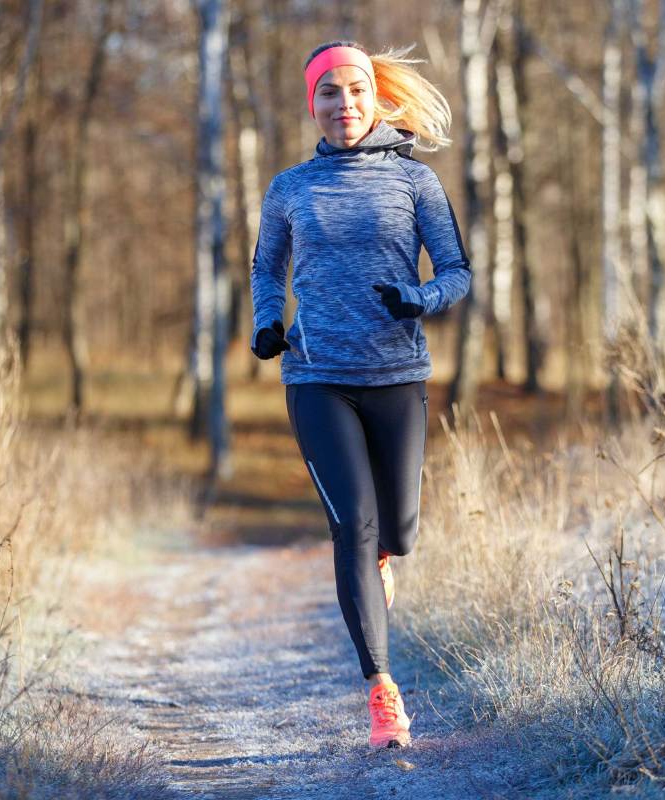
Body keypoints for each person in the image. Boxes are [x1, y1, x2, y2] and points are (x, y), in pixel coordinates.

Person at [248, 40, 471, 749]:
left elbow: (458, 271)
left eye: (353, 91)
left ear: (375, 98)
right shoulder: (290, 188)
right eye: (327, 94)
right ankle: (383, 694)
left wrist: (420, 298)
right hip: (316, 377)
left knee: (396, 533)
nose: (342, 104)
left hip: (396, 375)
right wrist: (265, 323)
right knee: (355, 528)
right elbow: (265, 269)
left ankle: (378, 565)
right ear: (311, 104)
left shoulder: (415, 183)